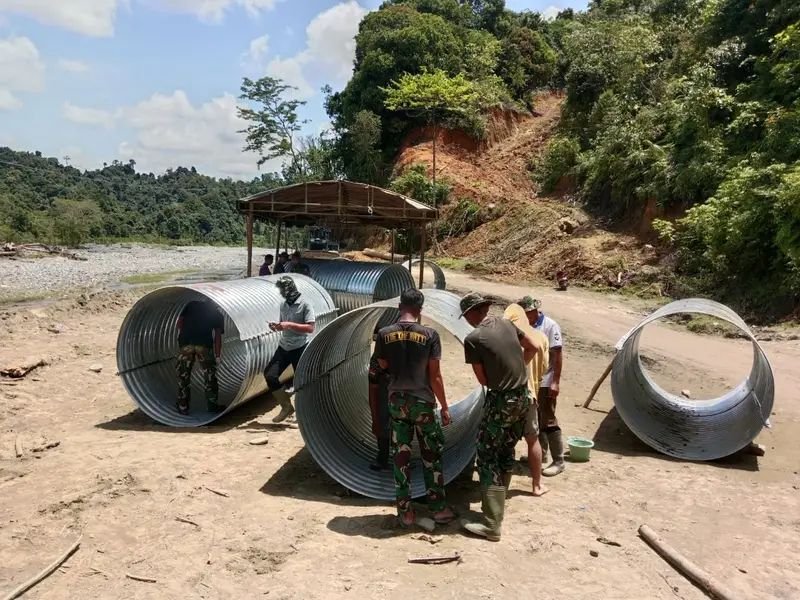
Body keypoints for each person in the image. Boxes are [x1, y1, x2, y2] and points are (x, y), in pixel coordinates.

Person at [459, 292, 541, 541]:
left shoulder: (473, 338)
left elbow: (484, 380)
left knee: (486, 456)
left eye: (466, 316)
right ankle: (499, 503)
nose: (467, 321)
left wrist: (501, 376)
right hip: (523, 397)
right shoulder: (508, 324)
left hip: (501, 400)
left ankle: (492, 524)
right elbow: (533, 346)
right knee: (506, 449)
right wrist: (517, 369)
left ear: (472, 313)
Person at [375, 289, 456, 528]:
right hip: (422, 403)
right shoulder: (430, 335)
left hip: (397, 402)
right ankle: (438, 509)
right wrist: (444, 406)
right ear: (420, 310)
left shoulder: (384, 333)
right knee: (431, 454)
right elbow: (435, 376)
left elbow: (382, 363)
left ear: (400, 306)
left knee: (400, 456)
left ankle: (405, 512)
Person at [504, 303, 550, 497]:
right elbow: (544, 368)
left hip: (507, 395)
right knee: (532, 440)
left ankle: (500, 485)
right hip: (530, 395)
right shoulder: (541, 337)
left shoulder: (507, 338)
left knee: (504, 440)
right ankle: (537, 485)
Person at [518, 296, 565, 477]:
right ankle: (541, 454)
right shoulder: (522, 325)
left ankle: (559, 461)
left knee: (548, 419)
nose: (527, 316)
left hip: (545, 380)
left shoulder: (550, 326)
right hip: (530, 380)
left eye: (529, 313)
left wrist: (555, 381)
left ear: (536, 310)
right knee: (535, 418)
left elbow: (557, 355)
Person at [264, 276, 316, 423]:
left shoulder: (305, 304)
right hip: (284, 347)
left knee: (302, 382)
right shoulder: (283, 304)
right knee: (270, 375)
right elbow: (284, 324)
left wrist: (288, 325)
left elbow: (310, 328)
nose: (281, 293)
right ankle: (286, 407)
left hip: (299, 348)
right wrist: (277, 326)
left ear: (289, 289)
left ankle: (304, 413)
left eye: (282, 290)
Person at [176, 298, 225, 415]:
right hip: (204, 346)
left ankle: (183, 406)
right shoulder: (218, 315)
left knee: (183, 375)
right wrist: (217, 356)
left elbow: (179, 323)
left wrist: (184, 336)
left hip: (186, 344)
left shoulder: (191, 304)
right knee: (209, 375)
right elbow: (217, 337)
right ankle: (212, 405)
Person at [368, 324, 391, 471]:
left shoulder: (404, 359)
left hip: (404, 396)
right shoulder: (375, 363)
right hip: (384, 394)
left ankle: (403, 459)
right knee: (383, 422)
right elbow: (373, 389)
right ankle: (383, 458)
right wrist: (375, 419)